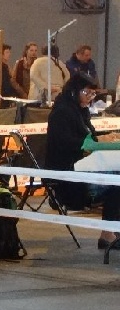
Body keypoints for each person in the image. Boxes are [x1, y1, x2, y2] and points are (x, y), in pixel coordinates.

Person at [45, 72, 120, 249]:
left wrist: (107, 139)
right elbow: (66, 144)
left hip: (83, 169)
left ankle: (109, 232)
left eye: (93, 94)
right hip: (68, 178)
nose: (90, 98)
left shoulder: (81, 111)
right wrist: (90, 144)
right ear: (74, 91)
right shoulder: (61, 113)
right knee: (116, 181)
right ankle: (107, 234)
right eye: (87, 93)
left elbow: (92, 137)